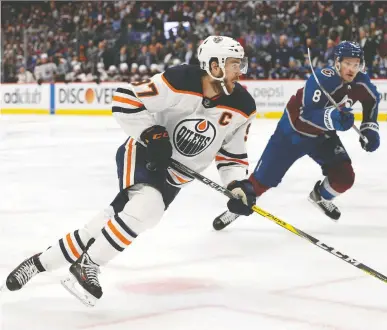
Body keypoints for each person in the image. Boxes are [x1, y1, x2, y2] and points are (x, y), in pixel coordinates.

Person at [3, 36, 257, 307]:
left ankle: (40, 262)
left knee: (110, 221)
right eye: (234, 64)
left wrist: (237, 185)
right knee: (149, 207)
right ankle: (88, 264)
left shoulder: (243, 106)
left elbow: (232, 157)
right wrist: (151, 133)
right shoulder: (180, 79)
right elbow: (125, 97)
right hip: (145, 154)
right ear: (214, 65)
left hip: (175, 177)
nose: (239, 70)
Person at [214, 41, 380, 229]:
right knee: (260, 182)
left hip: (322, 136)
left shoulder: (360, 81)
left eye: (356, 64)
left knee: (344, 177)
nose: (352, 69)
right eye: (348, 63)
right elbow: (305, 115)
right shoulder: (323, 79)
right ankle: (235, 211)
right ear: (338, 62)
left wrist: (369, 126)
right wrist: (333, 118)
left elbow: (373, 99)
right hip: (292, 134)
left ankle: (320, 196)